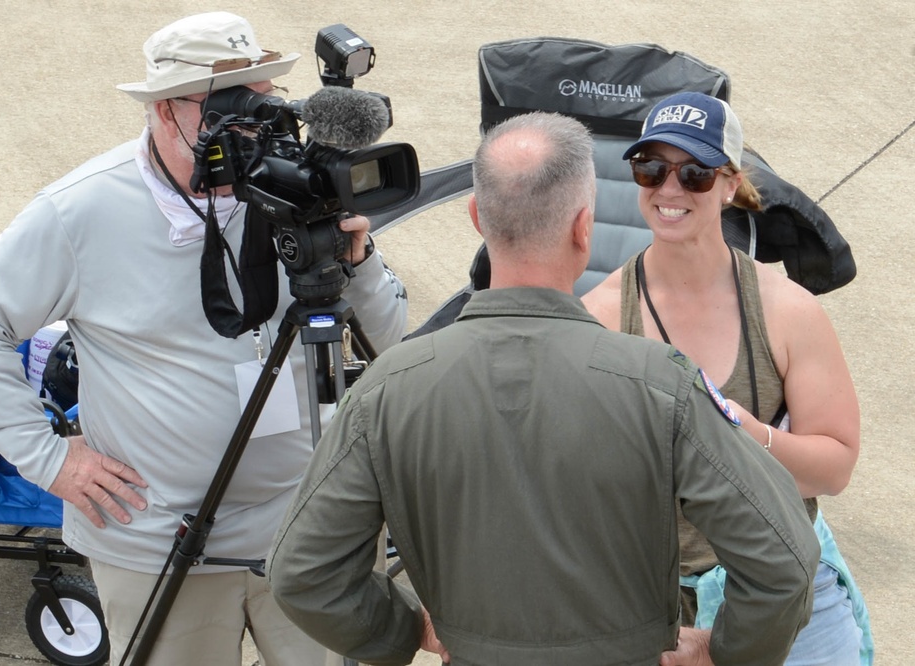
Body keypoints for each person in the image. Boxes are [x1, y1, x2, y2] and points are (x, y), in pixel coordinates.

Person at [0, 11, 407, 666]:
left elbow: (394, 343)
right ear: (165, 110)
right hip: (159, 540)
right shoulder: (82, 210)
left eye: (263, 104)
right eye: (230, 107)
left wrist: (360, 267)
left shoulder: (286, 191)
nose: (251, 129)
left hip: (304, 526)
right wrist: (45, 458)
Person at [267, 111, 820, 666]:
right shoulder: (661, 385)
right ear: (585, 227)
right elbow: (783, 561)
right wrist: (723, 651)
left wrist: (405, 629)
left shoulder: (389, 389)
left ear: (478, 217)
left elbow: (303, 573)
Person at [583, 91, 873, 665]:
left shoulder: (785, 309)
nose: (668, 189)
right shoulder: (600, 316)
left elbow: (835, 468)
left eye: (692, 173)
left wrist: (738, 435)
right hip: (657, 604)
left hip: (785, 589)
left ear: (729, 183)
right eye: (650, 168)